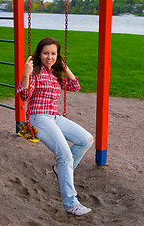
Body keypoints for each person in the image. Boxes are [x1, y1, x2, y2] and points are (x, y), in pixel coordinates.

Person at [17, 37, 94, 216]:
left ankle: (61, 170)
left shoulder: (55, 74)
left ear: (57, 55)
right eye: (46, 53)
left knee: (86, 140)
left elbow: (75, 86)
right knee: (65, 155)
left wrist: (65, 68)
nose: (49, 57)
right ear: (39, 54)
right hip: (38, 117)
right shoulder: (35, 71)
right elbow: (24, 96)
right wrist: (26, 74)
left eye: (53, 54)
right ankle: (70, 203)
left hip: (55, 117)